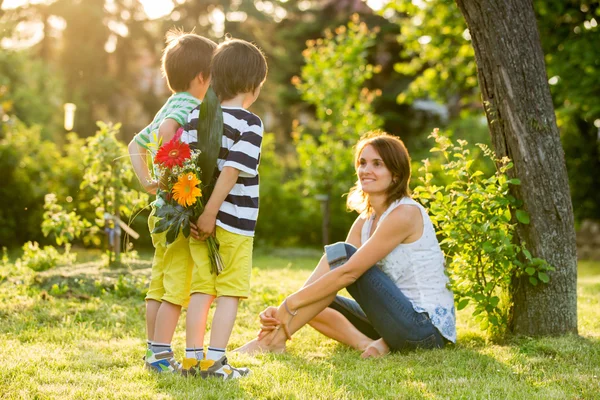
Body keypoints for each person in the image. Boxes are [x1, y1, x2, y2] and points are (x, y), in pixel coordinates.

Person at [237, 132, 456, 357]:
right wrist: (290, 307)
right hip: (389, 321)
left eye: (377, 164)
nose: (365, 170)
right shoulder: (365, 220)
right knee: (316, 299)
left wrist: (290, 304)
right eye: (362, 163)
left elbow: (349, 271)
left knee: (334, 263)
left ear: (396, 175)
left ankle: (272, 342)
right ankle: (366, 344)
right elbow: (333, 267)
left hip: (424, 330)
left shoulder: (405, 213)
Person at [128, 29, 217, 372]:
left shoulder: (170, 101)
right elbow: (167, 131)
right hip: (177, 211)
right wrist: (168, 172)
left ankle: (153, 352)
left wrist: (149, 182)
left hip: (160, 210)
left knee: (160, 282)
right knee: (177, 287)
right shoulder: (190, 105)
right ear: (201, 77)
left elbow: (134, 144)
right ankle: (162, 355)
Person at [179, 38, 268, 379]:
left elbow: (183, 171)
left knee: (202, 288)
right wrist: (211, 212)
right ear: (252, 85)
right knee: (229, 291)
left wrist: (195, 213)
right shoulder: (250, 123)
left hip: (198, 221)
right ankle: (215, 362)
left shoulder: (193, 116)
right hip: (232, 221)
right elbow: (232, 170)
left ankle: (191, 360)